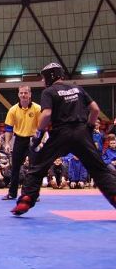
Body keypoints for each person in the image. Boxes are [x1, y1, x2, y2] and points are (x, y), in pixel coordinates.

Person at [12, 62, 116, 215]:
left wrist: (39, 134)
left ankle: (26, 200)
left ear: (50, 76)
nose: (43, 81)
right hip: (81, 132)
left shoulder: (49, 92)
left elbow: (46, 114)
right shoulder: (78, 89)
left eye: (44, 78)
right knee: (99, 169)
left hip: (61, 133)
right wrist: (88, 127)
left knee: (38, 166)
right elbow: (95, 109)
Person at [2, 86, 41, 200]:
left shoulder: (37, 108)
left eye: (25, 93)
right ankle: (12, 193)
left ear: (30, 94)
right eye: (21, 93)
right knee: (15, 167)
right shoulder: (13, 110)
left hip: (33, 139)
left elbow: (41, 127)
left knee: (34, 168)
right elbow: (9, 129)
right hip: (19, 139)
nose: (23, 95)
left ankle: (33, 194)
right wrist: (7, 143)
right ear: (18, 95)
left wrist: (40, 141)